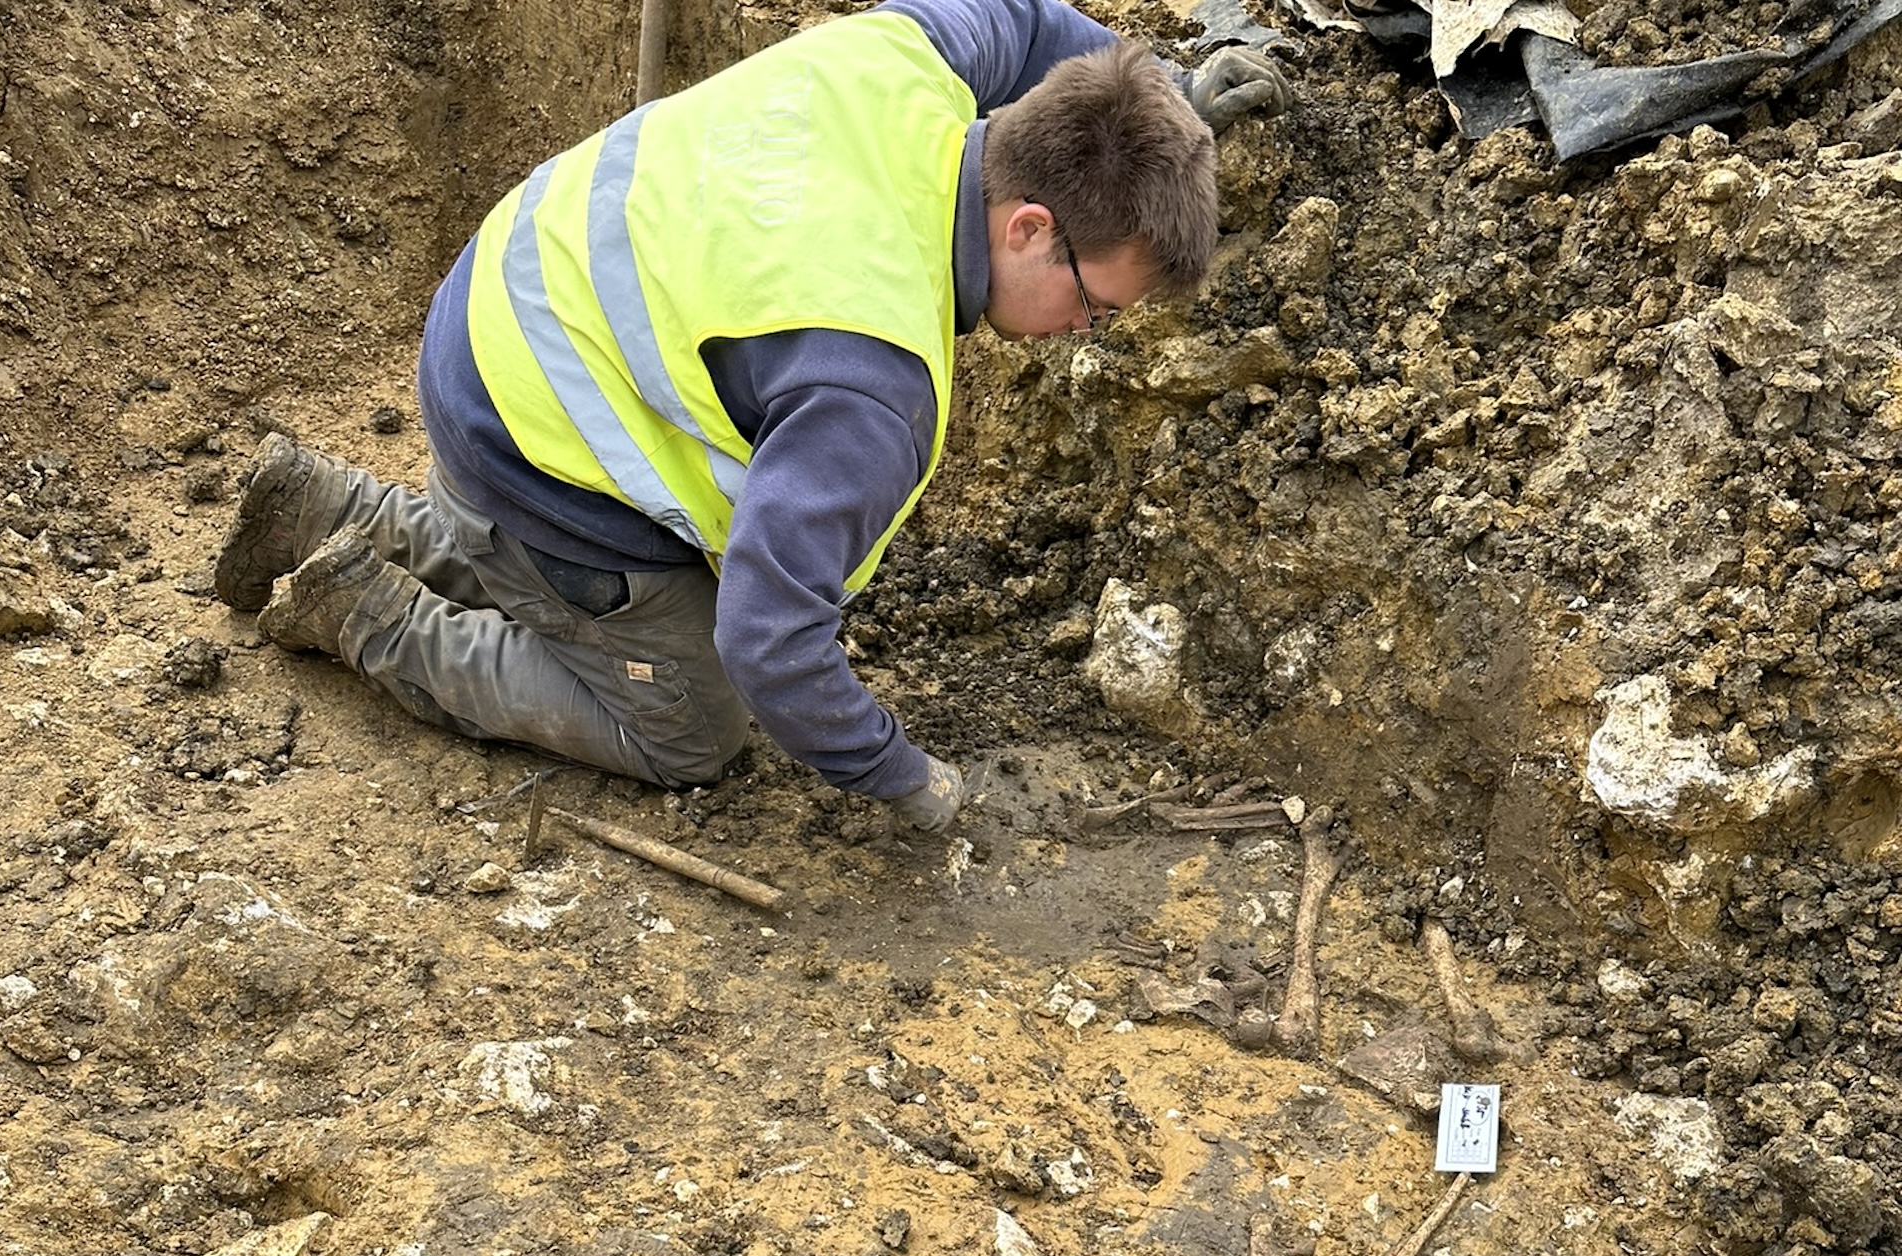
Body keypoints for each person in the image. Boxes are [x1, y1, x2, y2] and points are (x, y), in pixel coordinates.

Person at [212, 0, 1291, 833]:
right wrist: (899, 774)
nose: (1083, 335)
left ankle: (331, 503)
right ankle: (368, 616)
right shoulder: (873, 382)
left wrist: (1170, 97)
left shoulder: (911, 60)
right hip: (526, 427)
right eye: (1096, 305)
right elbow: (772, 644)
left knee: (652, 590)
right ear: (1027, 230)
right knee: (693, 721)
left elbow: (1032, 25)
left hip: (510, 279)